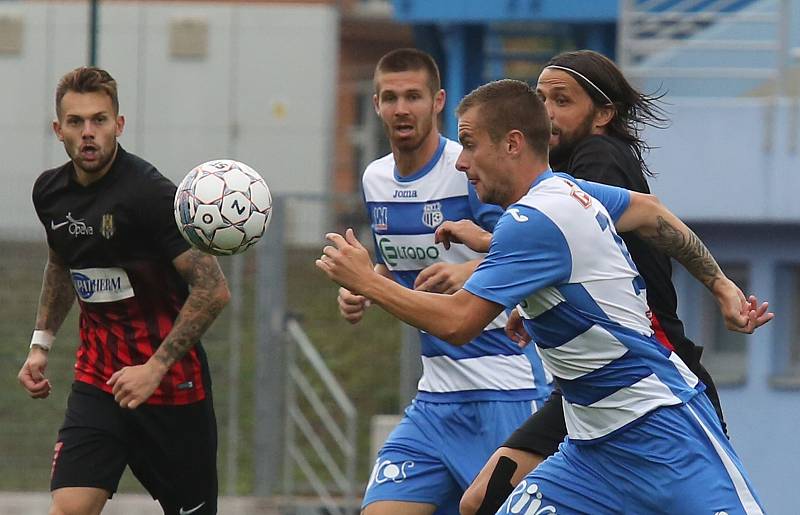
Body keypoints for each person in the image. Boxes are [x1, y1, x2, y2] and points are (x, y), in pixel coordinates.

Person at [317, 79, 770, 513]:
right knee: (481, 503)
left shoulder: (532, 221)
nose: (461, 162)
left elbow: (458, 322)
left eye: (470, 144)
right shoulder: (562, 193)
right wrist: (721, 286)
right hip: (590, 450)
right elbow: (651, 213)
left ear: (512, 144)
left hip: (661, 428)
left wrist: (368, 281)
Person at [460, 49, 739, 515]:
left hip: (644, 382)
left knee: (484, 501)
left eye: (562, 101)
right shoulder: (564, 181)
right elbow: (597, 240)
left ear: (603, 114)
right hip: (592, 390)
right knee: (482, 502)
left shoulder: (596, 159)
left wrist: (488, 262)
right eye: (540, 98)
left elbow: (557, 240)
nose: (546, 111)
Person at [337, 49, 551, 515]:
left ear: (437, 102)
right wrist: (364, 284)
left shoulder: (469, 168)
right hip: (434, 397)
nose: (401, 108)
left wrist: (469, 270)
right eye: (390, 97)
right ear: (375, 105)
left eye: (413, 96)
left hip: (504, 389)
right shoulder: (375, 179)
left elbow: (526, 248)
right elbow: (396, 261)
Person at [16, 67, 229, 515]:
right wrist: (41, 345)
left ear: (120, 124)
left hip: (172, 388)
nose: (88, 133)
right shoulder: (49, 193)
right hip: (99, 382)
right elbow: (61, 264)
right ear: (59, 130)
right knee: (69, 509)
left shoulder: (151, 195)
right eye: (76, 122)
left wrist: (153, 368)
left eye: (100, 120)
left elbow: (212, 290)